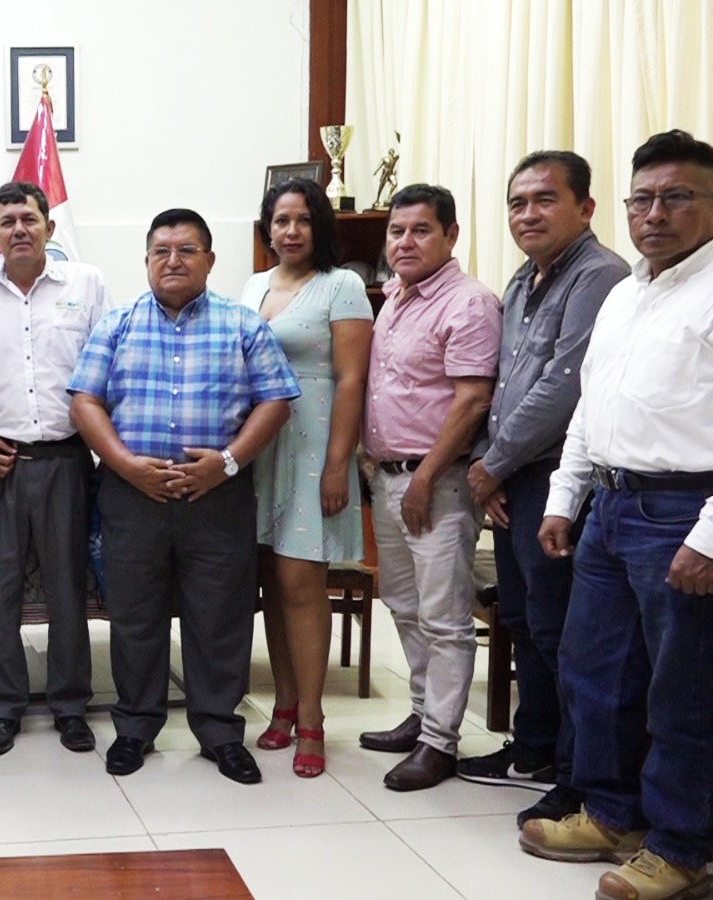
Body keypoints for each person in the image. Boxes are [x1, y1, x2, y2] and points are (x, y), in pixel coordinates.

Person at [521, 129, 713, 900]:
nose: (655, 213)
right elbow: (589, 405)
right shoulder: (625, 293)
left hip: (685, 510)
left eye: (677, 197)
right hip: (608, 504)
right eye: (643, 199)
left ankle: (684, 848)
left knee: (683, 691)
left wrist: (710, 537)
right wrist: (565, 498)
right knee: (595, 671)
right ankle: (612, 812)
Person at [68, 208, 298, 783]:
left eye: (187, 250)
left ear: (210, 260)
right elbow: (84, 402)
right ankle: (134, 728)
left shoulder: (242, 325)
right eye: (161, 251)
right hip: (132, 496)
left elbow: (276, 400)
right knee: (134, 618)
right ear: (146, 260)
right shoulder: (117, 324)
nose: (173, 261)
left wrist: (227, 462)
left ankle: (219, 732)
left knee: (219, 617)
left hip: (217, 497)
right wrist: (125, 466)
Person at [455, 153, 628, 825]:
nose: (528, 214)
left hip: (559, 480)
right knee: (525, 619)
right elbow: (501, 382)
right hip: (513, 477)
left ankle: (577, 772)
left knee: (565, 632)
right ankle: (534, 748)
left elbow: (564, 386)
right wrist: (488, 463)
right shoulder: (525, 276)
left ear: (585, 208)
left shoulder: (599, 275)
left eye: (544, 200)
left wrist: (492, 465)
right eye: (517, 202)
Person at [357, 184, 501, 792]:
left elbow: (472, 401)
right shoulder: (394, 297)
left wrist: (423, 478)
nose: (405, 242)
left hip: (435, 483)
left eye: (421, 230)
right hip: (387, 477)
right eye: (397, 231)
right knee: (404, 603)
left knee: (444, 617)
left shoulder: (468, 303)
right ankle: (421, 715)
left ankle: (440, 742)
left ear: (451, 235)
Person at [0, 181, 108, 757]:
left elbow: (107, 368)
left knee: (69, 590)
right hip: (0, 464)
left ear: (49, 226)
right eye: (7, 221)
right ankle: (2, 709)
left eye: (28, 218)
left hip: (67, 460)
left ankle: (70, 706)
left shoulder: (86, 285)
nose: (19, 229)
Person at [239, 179, 373, 779]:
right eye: (280, 220)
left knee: (300, 582)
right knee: (271, 581)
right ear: (267, 228)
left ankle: (314, 719)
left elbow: (351, 379)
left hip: (315, 445)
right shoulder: (254, 285)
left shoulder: (342, 286)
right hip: (261, 447)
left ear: (319, 226)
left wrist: (338, 462)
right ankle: (285, 704)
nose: (290, 231)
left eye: (302, 219)